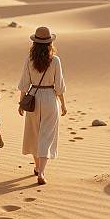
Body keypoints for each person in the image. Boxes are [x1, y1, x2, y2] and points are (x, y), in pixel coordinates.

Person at [18, 26, 67, 185]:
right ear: (50, 43)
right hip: (50, 99)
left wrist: (21, 103)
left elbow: (24, 84)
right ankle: (42, 172)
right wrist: (63, 104)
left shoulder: (29, 60)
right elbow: (59, 86)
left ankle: (37, 167)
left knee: (33, 133)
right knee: (47, 135)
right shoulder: (55, 60)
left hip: (33, 97)